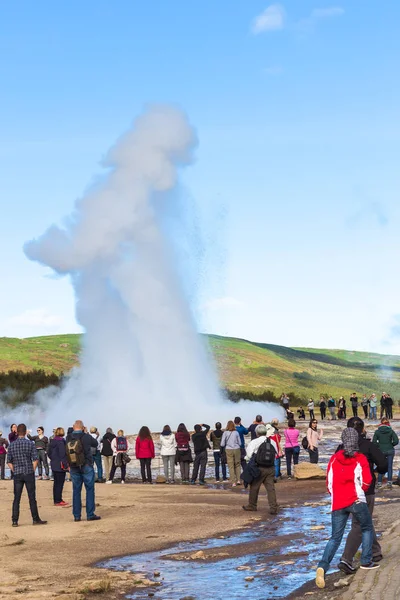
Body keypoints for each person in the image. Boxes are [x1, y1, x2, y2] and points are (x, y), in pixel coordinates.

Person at [315, 428, 379, 590]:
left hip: (338, 502)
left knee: (335, 537)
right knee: (366, 528)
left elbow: (329, 482)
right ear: (356, 440)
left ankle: (322, 566)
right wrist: (360, 492)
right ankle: (366, 561)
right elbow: (367, 481)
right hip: (356, 499)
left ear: (343, 440)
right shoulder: (360, 458)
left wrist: (335, 494)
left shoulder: (334, 459)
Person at [337, 418, 388, 574]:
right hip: (366, 491)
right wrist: (375, 473)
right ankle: (346, 559)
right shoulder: (368, 445)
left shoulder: (340, 448)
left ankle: (375, 552)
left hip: (346, 491)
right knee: (360, 524)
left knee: (364, 521)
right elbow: (383, 464)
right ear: (362, 429)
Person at [6, 423, 47, 527]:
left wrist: (14, 470)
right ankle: (35, 519)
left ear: (17, 432)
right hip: (28, 472)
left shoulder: (12, 445)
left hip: (18, 473)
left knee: (17, 498)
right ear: (25, 432)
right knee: (32, 497)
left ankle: (15, 521)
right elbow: (35, 459)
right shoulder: (30, 444)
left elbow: (9, 461)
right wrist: (32, 470)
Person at [66, 419, 100, 522]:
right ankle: (90, 514)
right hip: (86, 465)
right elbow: (95, 444)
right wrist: (86, 433)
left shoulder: (68, 437)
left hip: (73, 466)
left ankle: (77, 515)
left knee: (76, 490)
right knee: (89, 489)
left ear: (73, 426)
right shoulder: (86, 436)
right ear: (83, 427)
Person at [242, 424, 278, 514]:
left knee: (254, 487)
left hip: (258, 468)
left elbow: (249, 455)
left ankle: (252, 505)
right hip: (270, 468)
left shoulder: (254, 442)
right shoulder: (272, 442)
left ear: (257, 433)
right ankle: (273, 507)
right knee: (270, 489)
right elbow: (276, 454)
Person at [372, 418, 399, 488]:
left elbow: (374, 442)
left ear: (381, 423)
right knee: (390, 466)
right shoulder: (391, 431)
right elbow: (396, 440)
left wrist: (379, 445)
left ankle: (379, 482)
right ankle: (389, 482)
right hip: (390, 450)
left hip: (381, 451)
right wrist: (391, 444)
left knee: (381, 466)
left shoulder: (377, 432)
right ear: (388, 423)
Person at [47, 427, 69, 506]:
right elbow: (63, 454)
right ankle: (58, 500)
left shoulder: (52, 441)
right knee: (60, 483)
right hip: (60, 465)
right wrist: (66, 465)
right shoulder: (61, 442)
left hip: (54, 464)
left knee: (56, 483)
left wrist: (53, 458)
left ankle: (56, 499)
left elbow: (48, 452)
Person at [221, 421, 242, 486]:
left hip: (228, 449)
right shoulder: (236, 432)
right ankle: (238, 480)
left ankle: (233, 482)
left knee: (231, 466)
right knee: (237, 464)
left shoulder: (225, 433)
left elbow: (222, 444)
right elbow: (240, 443)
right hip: (237, 449)